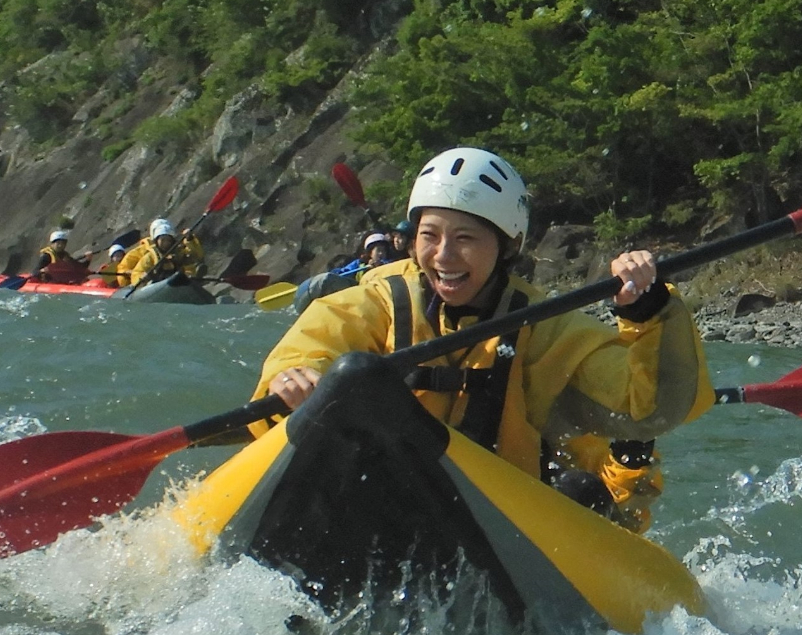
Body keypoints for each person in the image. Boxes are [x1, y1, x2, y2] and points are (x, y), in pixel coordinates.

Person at [252, 147, 715, 532]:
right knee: (354, 376)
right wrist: (291, 378)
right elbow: (314, 344)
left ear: (507, 246)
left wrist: (649, 313)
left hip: (494, 525)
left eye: (466, 238)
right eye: (429, 236)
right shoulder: (377, 299)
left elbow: (650, 408)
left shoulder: (546, 327)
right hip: (377, 501)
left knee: (582, 491)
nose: (444, 255)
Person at [118, 217, 207, 287]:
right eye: (163, 240)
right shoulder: (150, 255)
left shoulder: (178, 251)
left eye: (168, 240)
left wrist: (190, 239)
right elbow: (136, 272)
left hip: (176, 279)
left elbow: (196, 256)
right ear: (156, 240)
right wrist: (140, 277)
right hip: (157, 282)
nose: (166, 243)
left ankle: (192, 279)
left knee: (187, 266)